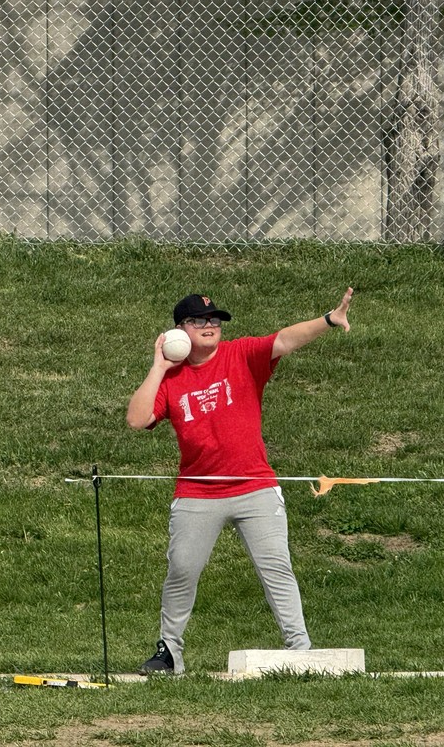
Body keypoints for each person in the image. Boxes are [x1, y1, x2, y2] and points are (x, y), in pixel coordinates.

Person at [126, 287, 354, 674]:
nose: (210, 326)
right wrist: (159, 367)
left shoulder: (241, 354)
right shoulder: (171, 377)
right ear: (180, 330)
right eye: (199, 321)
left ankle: (300, 648)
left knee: (276, 567)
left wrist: (329, 319)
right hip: (197, 491)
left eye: (214, 320)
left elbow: (283, 339)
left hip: (254, 486)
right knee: (182, 569)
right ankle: (169, 653)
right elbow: (137, 419)